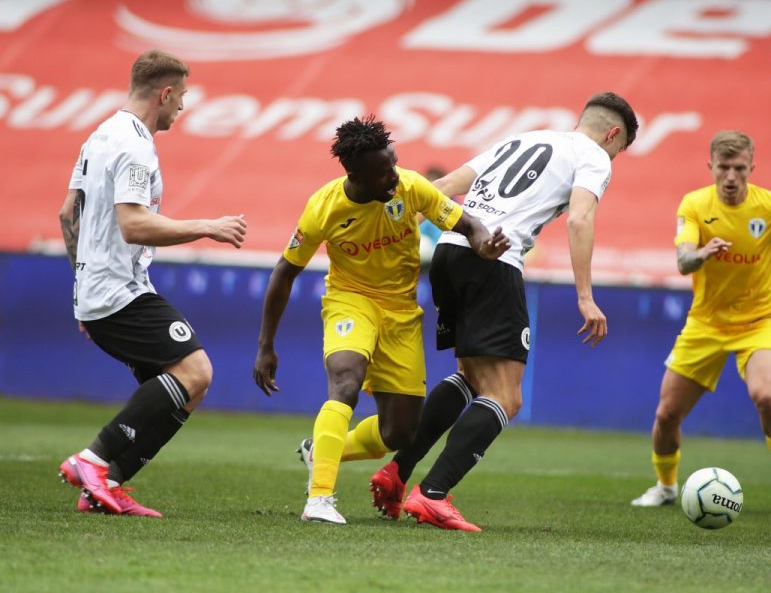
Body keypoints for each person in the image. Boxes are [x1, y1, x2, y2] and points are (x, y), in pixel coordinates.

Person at [370, 92, 639, 531]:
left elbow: (442, 187)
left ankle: (397, 473)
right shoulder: (594, 156)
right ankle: (433, 494)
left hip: (450, 251)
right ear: (612, 134)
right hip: (493, 260)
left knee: (471, 376)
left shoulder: (524, 138)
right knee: (506, 396)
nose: (613, 157)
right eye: (619, 149)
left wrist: (391, 243)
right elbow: (579, 219)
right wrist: (585, 296)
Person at [252, 116, 509, 525]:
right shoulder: (323, 207)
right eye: (383, 172)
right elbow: (285, 271)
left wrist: (485, 244)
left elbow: (467, 224)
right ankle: (319, 498)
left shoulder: (410, 187)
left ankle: (322, 450)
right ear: (355, 175)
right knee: (345, 380)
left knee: (400, 432)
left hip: (401, 312)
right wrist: (266, 345)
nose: (394, 176)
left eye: (393, 164)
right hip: (350, 301)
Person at [57, 50, 248, 517]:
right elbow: (134, 225)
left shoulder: (100, 135)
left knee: (189, 388)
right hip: (117, 290)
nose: (182, 105)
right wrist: (208, 226)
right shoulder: (134, 144)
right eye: (181, 96)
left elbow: (67, 215)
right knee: (197, 371)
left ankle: (106, 485)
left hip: (102, 291)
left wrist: (83, 289)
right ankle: (92, 460)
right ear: (165, 93)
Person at [630, 130, 771, 513]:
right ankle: (665, 486)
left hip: (759, 321)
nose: (730, 177)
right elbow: (683, 262)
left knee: (765, 396)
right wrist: (702, 253)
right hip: (706, 324)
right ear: (710, 166)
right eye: (723, 167)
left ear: (751, 168)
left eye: (739, 168)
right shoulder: (695, 205)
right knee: (666, 414)